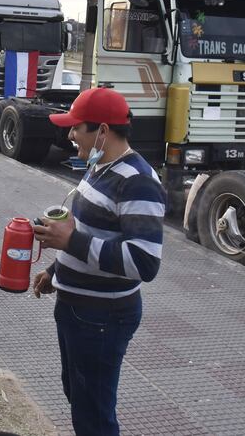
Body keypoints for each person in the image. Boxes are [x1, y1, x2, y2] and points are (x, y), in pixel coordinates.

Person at [31, 87, 164, 436]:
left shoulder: (138, 182)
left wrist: (70, 241)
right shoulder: (99, 165)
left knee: (94, 415)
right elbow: (91, 230)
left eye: (77, 128)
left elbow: (145, 262)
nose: (70, 134)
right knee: (78, 395)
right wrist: (55, 270)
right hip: (76, 306)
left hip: (102, 317)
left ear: (102, 130)